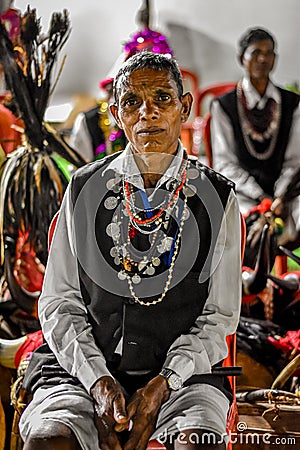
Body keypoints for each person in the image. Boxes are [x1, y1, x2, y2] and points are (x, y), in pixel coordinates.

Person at [19, 52, 242, 450]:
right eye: (133, 102)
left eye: (162, 99)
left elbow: (219, 317)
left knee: (198, 442)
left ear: (184, 107)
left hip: (181, 379)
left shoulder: (217, 197)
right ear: (117, 114)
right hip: (83, 371)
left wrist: (163, 383)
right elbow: (59, 302)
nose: (148, 113)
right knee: (48, 440)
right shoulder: (84, 188)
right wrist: (98, 381)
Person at [210, 27, 300, 249]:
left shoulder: (292, 103)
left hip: (287, 194)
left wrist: (279, 196)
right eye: (256, 52)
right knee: (246, 228)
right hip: (244, 195)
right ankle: (253, 281)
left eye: (269, 53)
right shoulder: (224, 105)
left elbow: (294, 160)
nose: (263, 58)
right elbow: (225, 163)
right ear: (242, 58)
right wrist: (262, 198)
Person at [70, 25, 174, 162]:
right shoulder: (89, 122)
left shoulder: (166, 121)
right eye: (132, 98)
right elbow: (79, 174)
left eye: (159, 97)